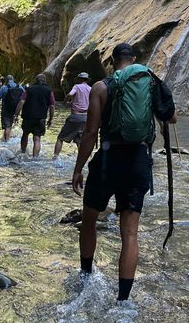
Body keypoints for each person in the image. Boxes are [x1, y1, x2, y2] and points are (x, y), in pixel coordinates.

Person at [72, 43, 176, 302]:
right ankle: (123, 300)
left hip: (107, 160)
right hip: (138, 162)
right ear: (135, 59)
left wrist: (78, 168)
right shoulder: (149, 82)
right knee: (129, 233)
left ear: (112, 62)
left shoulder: (100, 88)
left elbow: (90, 132)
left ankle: (86, 276)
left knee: (89, 221)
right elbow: (171, 118)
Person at [14, 73, 55, 157]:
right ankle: (35, 158)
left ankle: (22, 153)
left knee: (25, 134)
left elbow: (21, 101)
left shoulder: (29, 89)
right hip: (41, 118)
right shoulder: (49, 90)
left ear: (36, 80)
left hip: (28, 117)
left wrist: (16, 115)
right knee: (37, 139)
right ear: (45, 81)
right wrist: (51, 119)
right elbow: (52, 106)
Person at [53, 72, 91, 159]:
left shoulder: (76, 87)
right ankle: (84, 159)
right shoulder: (90, 89)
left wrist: (65, 102)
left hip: (75, 117)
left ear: (79, 79)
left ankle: (55, 158)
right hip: (86, 118)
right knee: (79, 141)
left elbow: (70, 94)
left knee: (60, 138)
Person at [0, 74, 23, 141]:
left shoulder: (4, 88)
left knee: (7, 127)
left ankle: (6, 142)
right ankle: (8, 139)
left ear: (6, 80)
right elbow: (24, 99)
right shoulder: (20, 87)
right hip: (16, 110)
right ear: (13, 79)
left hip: (6, 110)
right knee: (10, 126)